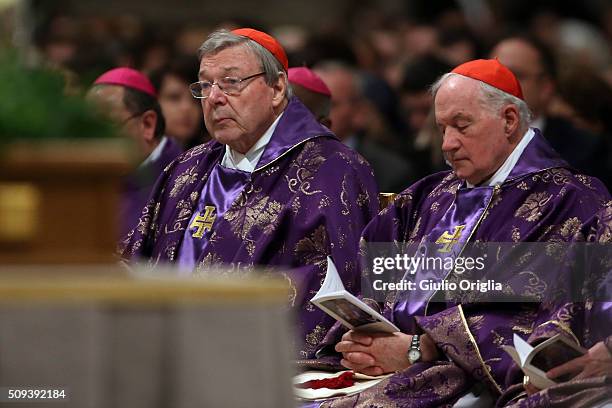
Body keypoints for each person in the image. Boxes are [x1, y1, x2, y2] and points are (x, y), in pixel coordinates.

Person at [307, 59, 611, 407]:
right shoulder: (427, 195)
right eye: (442, 128)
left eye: (461, 126)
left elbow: (545, 321)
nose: (447, 144)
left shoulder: (571, 201)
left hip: (466, 381)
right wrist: (364, 339)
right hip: (385, 367)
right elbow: (371, 277)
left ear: (509, 120)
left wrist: (419, 348)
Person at [118, 28, 379, 358]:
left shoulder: (333, 171)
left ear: (277, 88)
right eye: (205, 85)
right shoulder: (187, 167)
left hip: (257, 364)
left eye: (230, 82)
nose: (214, 97)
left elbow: (337, 292)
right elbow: (135, 259)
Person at [489, 35, 606, 182]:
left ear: (545, 88)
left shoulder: (585, 149)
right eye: (492, 75)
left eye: (515, 75)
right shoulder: (463, 141)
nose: (498, 84)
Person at [87, 67, 183, 237]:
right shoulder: (88, 182)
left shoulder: (184, 181)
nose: (94, 143)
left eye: (107, 126)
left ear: (147, 124)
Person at [314, 61, 413, 193]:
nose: (314, 114)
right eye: (307, 105)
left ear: (358, 111)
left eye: (329, 105)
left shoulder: (391, 174)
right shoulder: (284, 163)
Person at [149, 57, 209, 150]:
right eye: (174, 98)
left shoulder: (215, 158)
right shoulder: (135, 157)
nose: (187, 107)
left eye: (195, 99)